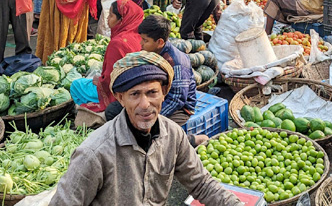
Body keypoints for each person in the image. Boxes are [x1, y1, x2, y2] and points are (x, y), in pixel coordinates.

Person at [50, 50, 243, 206]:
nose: (145, 104)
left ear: (164, 93)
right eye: (135, 94)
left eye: (152, 93)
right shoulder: (94, 153)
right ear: (120, 98)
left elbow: (202, 184)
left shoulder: (173, 134)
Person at [72, 0, 143, 115]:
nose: (107, 18)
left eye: (111, 15)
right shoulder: (139, 36)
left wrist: (99, 81)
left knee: (76, 85)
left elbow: (111, 79)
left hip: (119, 92)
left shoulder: (118, 43)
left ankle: (92, 111)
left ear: (121, 20)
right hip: (135, 87)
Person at [137, 15, 198, 125]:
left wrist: (152, 115)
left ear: (160, 42)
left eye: (145, 40)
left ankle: (191, 140)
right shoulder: (153, 52)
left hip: (179, 109)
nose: (141, 44)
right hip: (156, 98)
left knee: (150, 128)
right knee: (114, 110)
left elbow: (176, 100)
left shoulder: (177, 62)